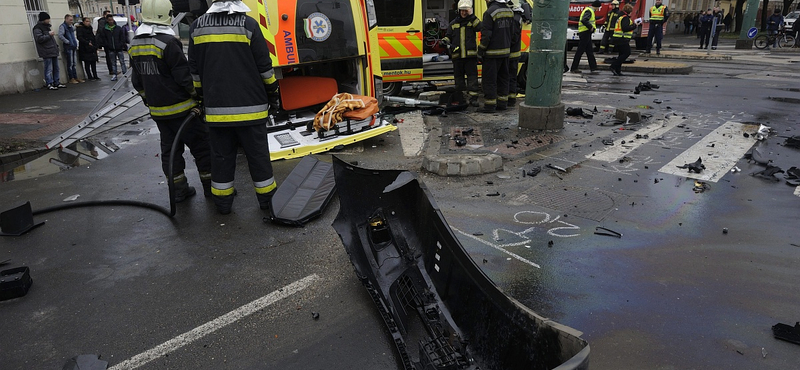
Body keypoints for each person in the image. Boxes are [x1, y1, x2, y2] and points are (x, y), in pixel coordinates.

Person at [188, 0, 281, 215]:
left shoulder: (196, 28)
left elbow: (194, 71)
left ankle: (223, 205)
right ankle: (267, 203)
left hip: (216, 112)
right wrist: (273, 94)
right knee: (258, 158)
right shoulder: (249, 25)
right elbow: (265, 68)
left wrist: (203, 98)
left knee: (220, 159)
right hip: (252, 109)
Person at [131, 0, 212, 202]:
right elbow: (184, 78)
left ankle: (178, 191)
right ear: (166, 14)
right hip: (184, 111)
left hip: (159, 113)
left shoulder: (135, 44)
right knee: (202, 149)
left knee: (171, 151)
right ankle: (212, 190)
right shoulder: (168, 43)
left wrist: (149, 102)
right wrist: (199, 97)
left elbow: (137, 82)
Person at [441, 0, 482, 107]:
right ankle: (461, 98)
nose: (463, 13)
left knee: (472, 78)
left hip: (470, 57)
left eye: (466, 11)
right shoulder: (453, 24)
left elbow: (480, 27)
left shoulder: (472, 22)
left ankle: (473, 98)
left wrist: (472, 16)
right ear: (458, 11)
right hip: (457, 57)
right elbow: (448, 36)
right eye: (462, 11)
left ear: (469, 11)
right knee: (459, 80)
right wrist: (444, 41)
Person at [477, 0, 514, 113]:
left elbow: (486, 35)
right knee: (503, 78)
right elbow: (512, 32)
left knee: (489, 80)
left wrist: (481, 50)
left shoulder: (490, 12)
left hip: (492, 53)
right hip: (505, 52)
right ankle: (502, 103)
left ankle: (490, 105)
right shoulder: (509, 11)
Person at [33, 12, 65, 90]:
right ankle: (49, 83)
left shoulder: (47, 27)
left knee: (56, 67)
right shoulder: (37, 28)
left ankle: (56, 82)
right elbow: (39, 39)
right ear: (43, 19)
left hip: (52, 50)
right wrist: (49, 35)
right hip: (46, 51)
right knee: (48, 68)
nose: (49, 20)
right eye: (47, 19)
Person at [570, 1, 601, 73]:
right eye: (598, 8)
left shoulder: (588, 10)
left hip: (586, 33)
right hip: (585, 33)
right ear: (596, 7)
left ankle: (593, 68)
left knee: (589, 51)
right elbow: (584, 20)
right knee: (580, 51)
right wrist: (590, 27)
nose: (598, 9)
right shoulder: (589, 11)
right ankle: (574, 68)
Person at [97, 14, 128, 81]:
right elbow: (104, 39)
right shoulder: (105, 29)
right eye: (109, 20)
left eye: (112, 20)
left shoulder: (118, 28)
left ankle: (125, 74)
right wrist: (108, 45)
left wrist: (121, 44)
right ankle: (114, 75)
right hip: (111, 49)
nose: (111, 21)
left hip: (119, 48)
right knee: (113, 63)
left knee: (122, 61)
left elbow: (122, 38)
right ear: (107, 21)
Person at [610, 3, 637, 76]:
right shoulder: (625, 18)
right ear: (629, 11)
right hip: (622, 38)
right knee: (627, 53)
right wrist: (634, 26)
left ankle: (618, 70)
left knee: (621, 54)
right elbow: (625, 28)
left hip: (618, 38)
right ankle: (613, 65)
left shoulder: (620, 17)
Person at [507, 1, 526, 107]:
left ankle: (510, 99)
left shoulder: (514, 18)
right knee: (512, 77)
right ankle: (511, 98)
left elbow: (513, 37)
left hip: (511, 52)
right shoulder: (518, 17)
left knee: (508, 76)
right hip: (515, 52)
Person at [58, 14, 83, 84]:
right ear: (66, 19)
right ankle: (71, 78)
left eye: (72, 20)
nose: (71, 21)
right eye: (70, 20)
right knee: (70, 63)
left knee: (74, 63)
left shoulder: (71, 27)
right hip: (68, 47)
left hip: (73, 46)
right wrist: (67, 41)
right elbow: (60, 35)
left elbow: (74, 32)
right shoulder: (63, 26)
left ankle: (75, 77)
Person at [97, 10, 113, 75]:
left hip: (111, 41)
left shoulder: (111, 22)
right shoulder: (102, 22)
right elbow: (102, 31)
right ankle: (111, 70)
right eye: (107, 15)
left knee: (112, 56)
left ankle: (113, 69)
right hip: (106, 41)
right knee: (109, 56)